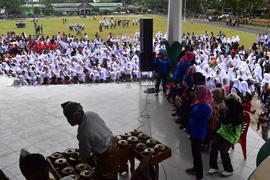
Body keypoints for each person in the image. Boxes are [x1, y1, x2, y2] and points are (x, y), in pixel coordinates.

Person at [61, 101, 119, 180]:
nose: (68, 121)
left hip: (105, 155)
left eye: (69, 118)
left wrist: (79, 158)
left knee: (105, 176)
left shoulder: (83, 133)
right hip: (113, 144)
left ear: (78, 115)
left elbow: (85, 153)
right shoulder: (91, 114)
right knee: (113, 171)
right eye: (67, 118)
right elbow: (102, 126)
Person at [208, 94, 243, 177]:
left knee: (223, 150)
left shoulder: (237, 116)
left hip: (232, 136)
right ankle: (213, 166)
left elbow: (226, 123)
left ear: (231, 106)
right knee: (214, 146)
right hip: (223, 132)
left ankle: (229, 169)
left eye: (226, 105)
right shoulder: (228, 111)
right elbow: (223, 122)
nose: (225, 106)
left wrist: (219, 117)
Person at [186, 85, 212, 180]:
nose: (195, 94)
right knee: (194, 152)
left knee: (197, 154)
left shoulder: (205, 106)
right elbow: (192, 110)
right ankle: (195, 168)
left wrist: (183, 107)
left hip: (198, 132)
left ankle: (200, 176)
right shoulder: (199, 102)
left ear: (201, 93)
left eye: (197, 92)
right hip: (194, 130)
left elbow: (193, 114)